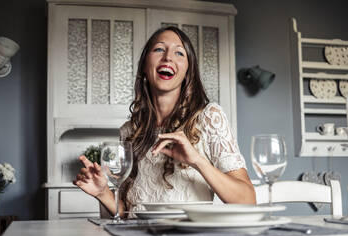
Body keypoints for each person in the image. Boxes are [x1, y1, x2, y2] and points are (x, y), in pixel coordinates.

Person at [73, 26, 256, 217]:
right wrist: (103, 193)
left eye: (179, 52)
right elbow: (131, 213)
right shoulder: (129, 131)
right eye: (159, 49)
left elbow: (248, 200)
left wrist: (196, 160)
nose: (168, 57)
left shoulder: (209, 117)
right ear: (144, 65)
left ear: (187, 71)